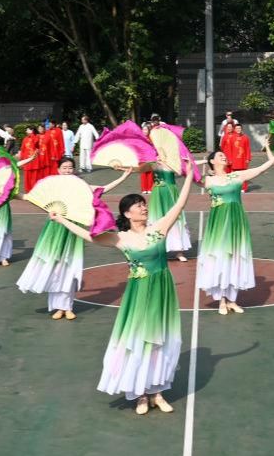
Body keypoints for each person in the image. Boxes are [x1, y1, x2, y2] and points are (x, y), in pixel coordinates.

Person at [51, 169, 196, 413]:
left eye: (144, 204)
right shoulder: (120, 238)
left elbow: (179, 204)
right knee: (139, 341)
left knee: (160, 340)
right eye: (138, 205)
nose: (144, 207)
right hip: (138, 295)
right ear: (127, 213)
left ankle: (158, 392)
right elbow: (89, 236)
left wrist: (190, 175)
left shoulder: (159, 228)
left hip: (162, 291)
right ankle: (141, 395)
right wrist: (62, 220)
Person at [19, 158, 132, 319]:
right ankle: (58, 307)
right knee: (55, 268)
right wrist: (8, 193)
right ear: (58, 170)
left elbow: (104, 188)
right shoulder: (53, 187)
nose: (67, 171)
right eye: (64, 168)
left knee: (69, 268)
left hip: (73, 231)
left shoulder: (81, 186)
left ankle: (67, 307)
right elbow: (28, 197)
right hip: (53, 231)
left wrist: (123, 177)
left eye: (70, 168)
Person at [197, 145, 274, 315]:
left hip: (236, 222)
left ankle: (232, 300)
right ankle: (221, 301)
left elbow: (259, 169)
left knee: (235, 259)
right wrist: (198, 161)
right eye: (220, 155)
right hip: (218, 225)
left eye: (224, 155)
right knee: (221, 258)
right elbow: (185, 170)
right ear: (212, 161)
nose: (224, 157)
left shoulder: (237, 175)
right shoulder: (208, 180)